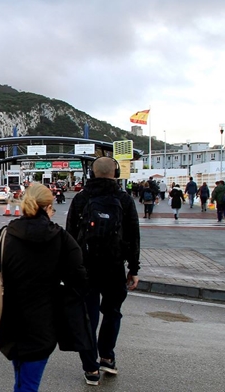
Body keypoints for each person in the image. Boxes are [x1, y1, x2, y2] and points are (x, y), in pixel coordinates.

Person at [0, 183, 88, 392]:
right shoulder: (62, 239)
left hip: (10, 320)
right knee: (29, 384)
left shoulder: (5, 236)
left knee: (22, 378)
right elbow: (78, 280)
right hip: (43, 321)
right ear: (48, 208)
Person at [66, 157, 140, 386]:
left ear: (92, 173)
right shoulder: (124, 199)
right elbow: (133, 236)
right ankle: (107, 356)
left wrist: (69, 269)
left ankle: (90, 369)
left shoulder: (81, 198)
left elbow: (69, 235)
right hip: (114, 267)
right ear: (116, 173)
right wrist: (133, 269)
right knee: (113, 311)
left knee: (88, 317)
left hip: (85, 268)